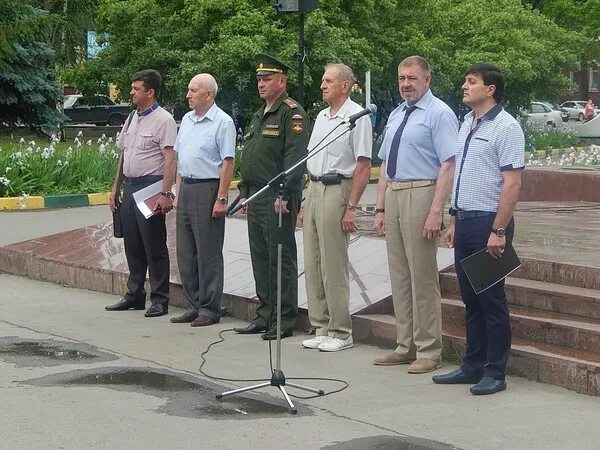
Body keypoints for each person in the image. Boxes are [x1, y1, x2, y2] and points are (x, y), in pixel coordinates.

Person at [432, 63, 525, 395]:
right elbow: (461, 176)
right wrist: (454, 219)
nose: (464, 86)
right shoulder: (465, 123)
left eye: (471, 82)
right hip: (467, 222)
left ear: (490, 90)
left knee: (491, 300)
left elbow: (512, 184)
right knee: (470, 299)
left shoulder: (506, 127)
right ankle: (472, 366)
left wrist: (498, 230)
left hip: (490, 222)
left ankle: (495, 372)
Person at [373, 56, 457, 373]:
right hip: (395, 193)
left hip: (422, 192)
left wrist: (437, 210)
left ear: (427, 79)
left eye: (412, 78)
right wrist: (380, 207)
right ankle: (405, 344)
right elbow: (384, 165)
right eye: (401, 78)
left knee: (422, 275)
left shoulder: (439, 114)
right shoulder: (397, 113)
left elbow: (448, 165)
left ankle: (429, 350)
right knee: (399, 275)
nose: (406, 84)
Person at [233, 54, 310, 340]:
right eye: (259, 79)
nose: (261, 84)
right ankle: (265, 314)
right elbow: (250, 157)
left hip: (278, 196)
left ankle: (284, 318)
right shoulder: (259, 114)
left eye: (266, 79)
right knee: (261, 257)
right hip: (255, 195)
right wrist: (243, 191)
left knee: (281, 258)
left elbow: (295, 158)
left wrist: (285, 193)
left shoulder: (292, 113)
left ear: (282, 81)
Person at [300, 63, 372, 352]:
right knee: (313, 261)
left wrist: (351, 207)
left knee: (333, 263)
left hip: (336, 187)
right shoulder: (321, 116)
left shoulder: (357, 116)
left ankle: (341, 331)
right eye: (322, 80)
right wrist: (306, 199)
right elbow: (312, 158)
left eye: (328, 80)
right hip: (315, 188)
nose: (322, 85)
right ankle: (320, 325)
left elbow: (363, 165)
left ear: (345, 85)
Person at [106, 69, 177, 317]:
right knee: (133, 244)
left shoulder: (164, 120)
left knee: (153, 244)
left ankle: (160, 299)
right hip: (130, 185)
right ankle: (135, 294)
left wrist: (166, 193)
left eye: (137, 89)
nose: (132, 92)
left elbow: (169, 160)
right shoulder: (132, 117)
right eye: (132, 88)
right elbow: (123, 154)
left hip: (151, 187)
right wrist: (115, 188)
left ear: (150, 92)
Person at [169, 74, 236, 327]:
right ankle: (193, 304)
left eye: (193, 90)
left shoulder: (223, 122)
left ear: (208, 94)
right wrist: (177, 191)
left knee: (208, 251)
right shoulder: (186, 119)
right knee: (186, 251)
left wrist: (221, 198)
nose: (188, 94)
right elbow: (181, 158)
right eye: (188, 89)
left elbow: (228, 162)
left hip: (208, 188)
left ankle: (209, 308)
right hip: (187, 188)